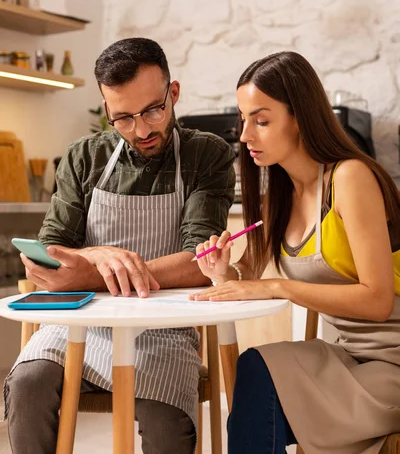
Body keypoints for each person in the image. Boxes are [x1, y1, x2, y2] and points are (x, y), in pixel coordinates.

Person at [4, 37, 236, 454]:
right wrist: (96, 253)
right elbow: (44, 261)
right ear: (107, 110)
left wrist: (89, 271)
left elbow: (201, 262)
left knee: (169, 423)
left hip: (164, 332)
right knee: (26, 385)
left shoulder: (207, 155)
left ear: (174, 93)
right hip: (78, 324)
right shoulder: (83, 157)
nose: (141, 130)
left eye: (153, 110)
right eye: (123, 118)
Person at [191, 51, 400, 454]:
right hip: (346, 358)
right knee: (256, 369)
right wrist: (222, 272)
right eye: (243, 119)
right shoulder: (279, 199)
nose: (245, 134)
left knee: (257, 400)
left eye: (261, 120)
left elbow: (377, 301)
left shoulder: (350, 179)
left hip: (391, 366)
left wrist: (278, 287)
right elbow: (245, 276)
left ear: (300, 118)